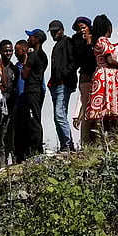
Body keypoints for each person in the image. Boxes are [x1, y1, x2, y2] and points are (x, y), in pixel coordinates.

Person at [86, 14, 118, 141]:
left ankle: (104, 137)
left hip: (99, 74)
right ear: (108, 27)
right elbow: (109, 60)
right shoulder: (104, 41)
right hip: (107, 76)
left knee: (102, 108)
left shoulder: (97, 41)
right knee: (107, 108)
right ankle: (109, 136)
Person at [46, 20, 77, 152]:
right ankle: (65, 144)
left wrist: (64, 75)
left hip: (63, 84)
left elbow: (73, 61)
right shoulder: (57, 45)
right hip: (56, 84)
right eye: (52, 32)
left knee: (60, 114)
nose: (54, 34)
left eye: (56, 31)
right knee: (58, 115)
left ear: (62, 30)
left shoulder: (67, 42)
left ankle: (68, 144)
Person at [20, 29, 48, 158]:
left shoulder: (33, 56)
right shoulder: (43, 56)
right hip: (39, 90)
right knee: (36, 118)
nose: (28, 39)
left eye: (30, 37)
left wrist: (25, 58)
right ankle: (36, 148)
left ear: (36, 39)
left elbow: (24, 75)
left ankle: (37, 150)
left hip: (31, 90)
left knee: (33, 121)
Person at [72, 17, 97, 145]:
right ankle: (85, 142)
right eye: (79, 28)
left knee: (97, 109)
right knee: (87, 109)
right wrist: (87, 44)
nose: (81, 30)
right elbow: (81, 60)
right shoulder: (76, 42)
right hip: (85, 77)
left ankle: (98, 140)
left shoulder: (97, 38)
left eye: (83, 27)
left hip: (97, 76)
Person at [0, 40, 18, 167]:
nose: (8, 53)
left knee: (8, 134)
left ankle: (8, 162)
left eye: (10, 50)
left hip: (11, 106)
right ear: (0, 52)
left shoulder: (15, 68)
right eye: (5, 51)